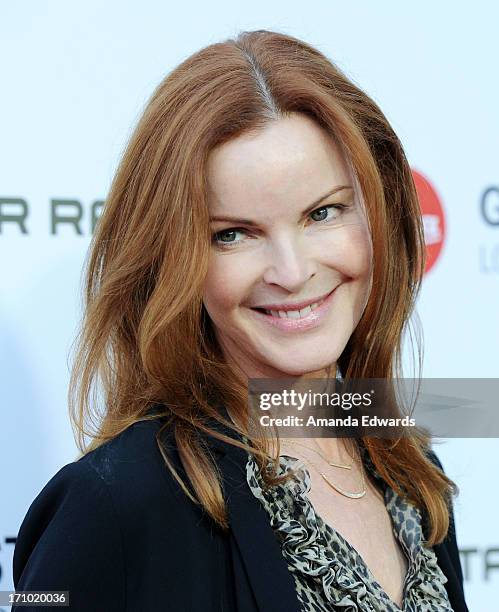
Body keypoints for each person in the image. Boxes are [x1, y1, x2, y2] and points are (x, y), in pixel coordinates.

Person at [12, 29, 468, 611]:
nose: (292, 270)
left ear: (379, 214)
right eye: (233, 234)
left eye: (322, 213)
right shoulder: (117, 507)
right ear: (175, 259)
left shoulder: (409, 468)